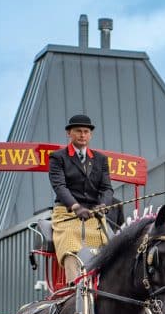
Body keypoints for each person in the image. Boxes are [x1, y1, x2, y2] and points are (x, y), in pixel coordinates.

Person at [48, 114, 124, 283]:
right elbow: (60, 186)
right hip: (67, 214)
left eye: (86, 131)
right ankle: (74, 290)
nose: (82, 135)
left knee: (113, 247)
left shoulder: (100, 159)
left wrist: (103, 205)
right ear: (69, 133)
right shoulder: (58, 157)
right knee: (70, 246)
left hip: (93, 215)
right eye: (78, 131)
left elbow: (106, 188)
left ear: (90, 135)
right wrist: (75, 207)